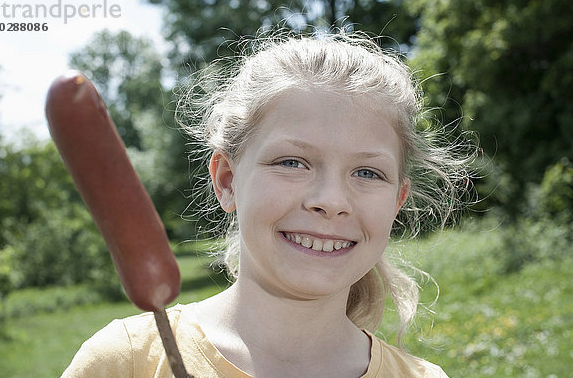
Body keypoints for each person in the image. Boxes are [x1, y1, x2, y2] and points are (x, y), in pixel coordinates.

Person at [62, 30, 473, 377]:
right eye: (292, 162)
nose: (330, 202)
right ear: (227, 180)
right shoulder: (125, 361)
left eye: (368, 173)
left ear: (398, 200)